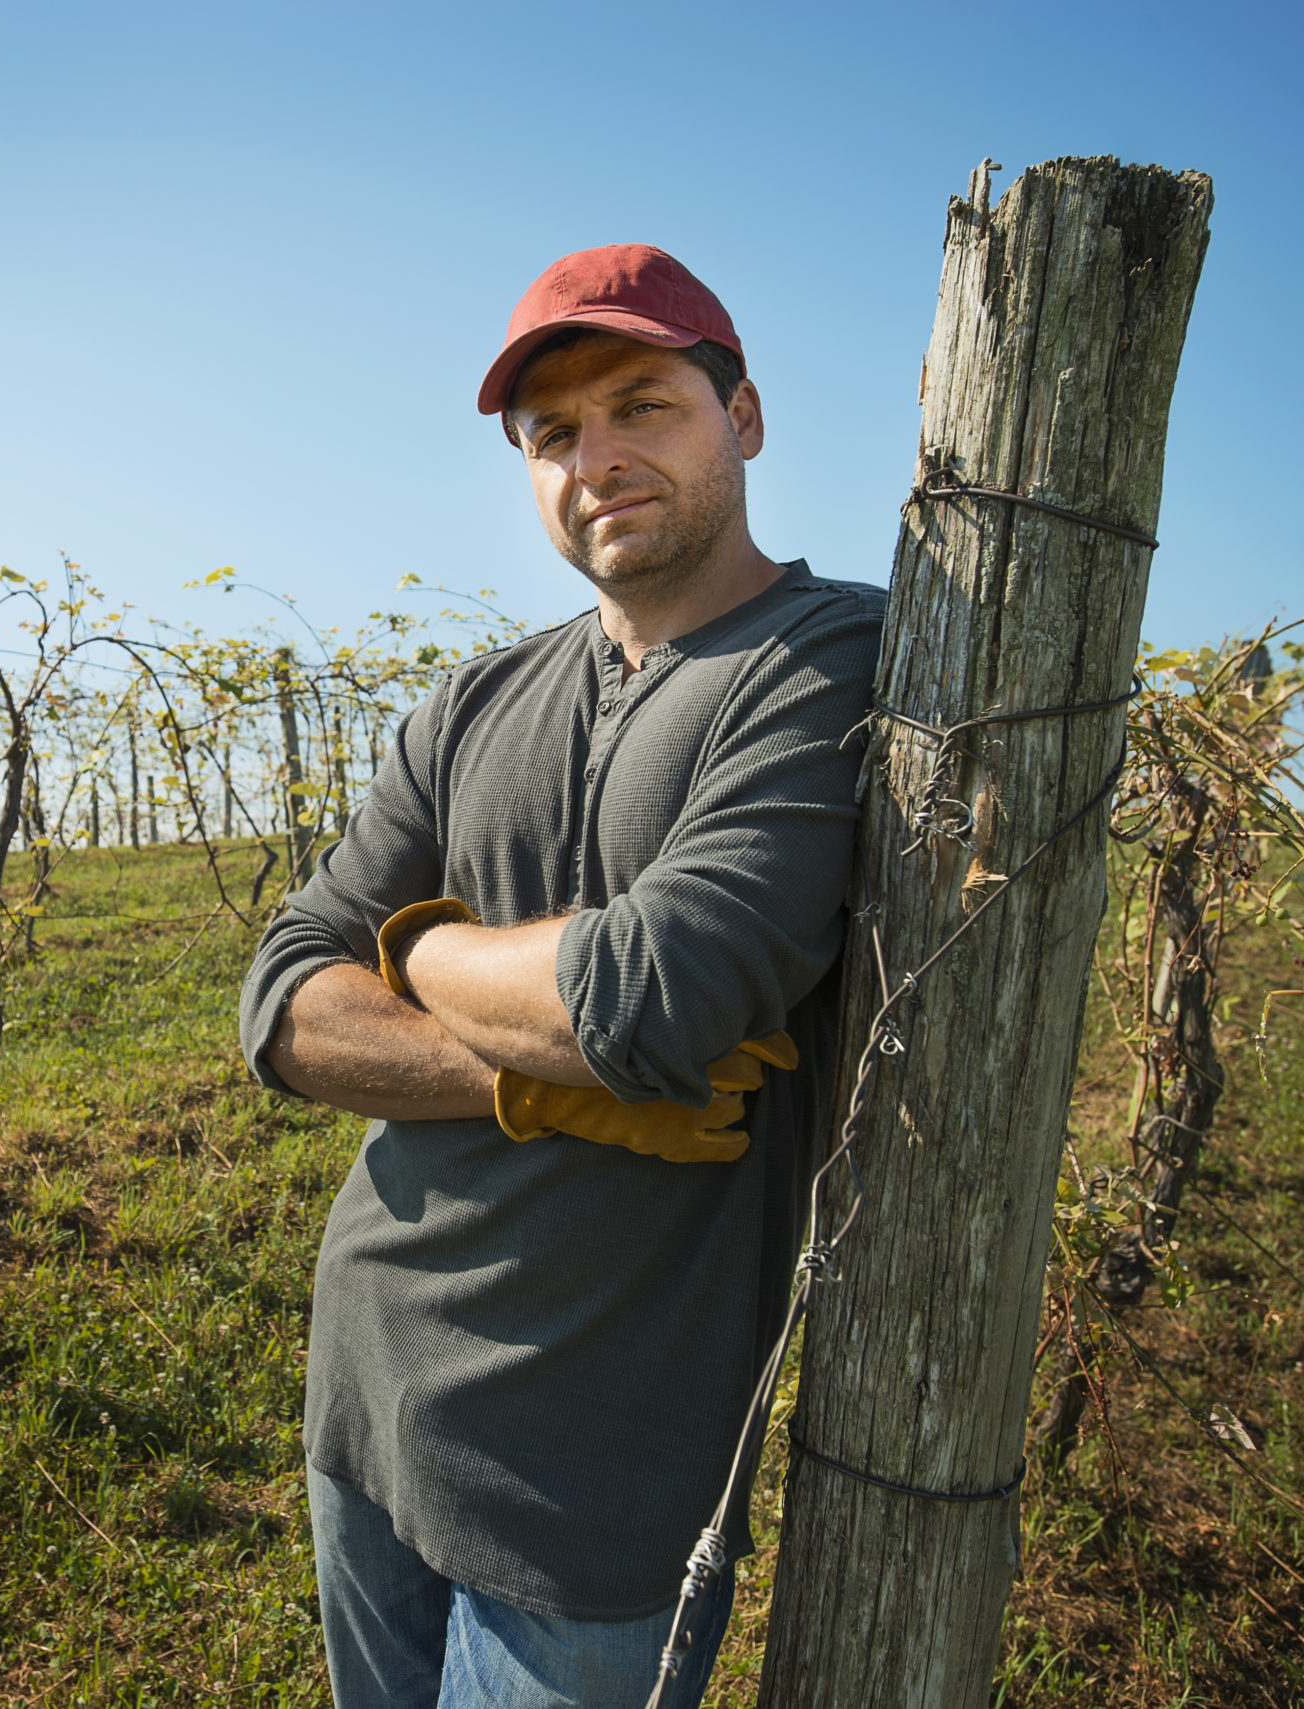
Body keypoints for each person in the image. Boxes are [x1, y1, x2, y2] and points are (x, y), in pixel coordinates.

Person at [237, 243, 886, 1707]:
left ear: (747, 416)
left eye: (643, 405)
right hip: (366, 1388)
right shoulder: (472, 700)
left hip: (599, 1473)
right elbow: (280, 1000)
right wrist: (536, 1084)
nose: (596, 457)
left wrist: (418, 949)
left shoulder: (830, 659)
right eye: (551, 435)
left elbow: (659, 993)